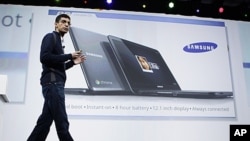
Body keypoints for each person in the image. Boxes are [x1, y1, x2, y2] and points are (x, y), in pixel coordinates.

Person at [27, 14, 86, 141]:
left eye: (68, 23)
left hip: (54, 85)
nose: (66, 25)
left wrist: (72, 63)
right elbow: (44, 57)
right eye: (64, 22)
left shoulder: (59, 41)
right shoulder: (51, 37)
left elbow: (56, 66)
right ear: (56, 24)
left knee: (43, 124)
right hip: (53, 85)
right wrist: (69, 56)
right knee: (62, 124)